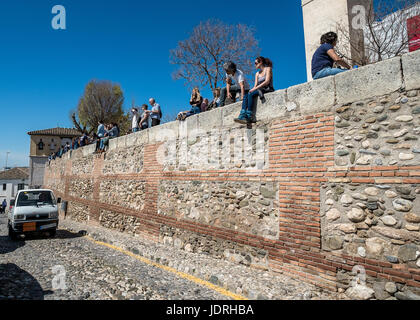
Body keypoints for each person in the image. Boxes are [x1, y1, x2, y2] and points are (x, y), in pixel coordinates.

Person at [234, 56, 275, 124]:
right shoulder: (257, 74)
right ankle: (243, 114)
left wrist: (255, 89)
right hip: (260, 89)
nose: (255, 64)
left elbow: (267, 81)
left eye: (256, 63)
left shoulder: (268, 69)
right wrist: (252, 89)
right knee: (246, 95)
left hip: (267, 89)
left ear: (261, 62)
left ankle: (249, 116)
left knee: (251, 93)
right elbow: (255, 86)